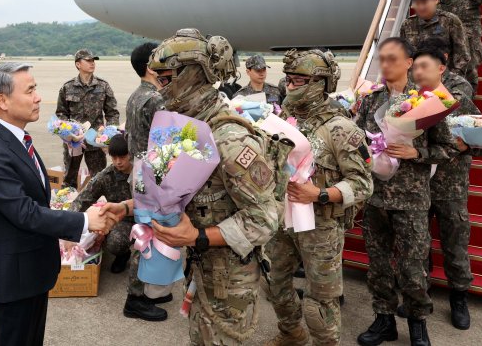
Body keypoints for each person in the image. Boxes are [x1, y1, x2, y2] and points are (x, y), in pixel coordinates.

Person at [143, 28, 285, 345]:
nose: (158, 87)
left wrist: (198, 236)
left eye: (165, 79)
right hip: (200, 268)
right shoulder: (184, 127)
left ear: (192, 75)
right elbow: (167, 191)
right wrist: (129, 208)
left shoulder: (229, 139)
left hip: (229, 280)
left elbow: (265, 218)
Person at [0, 62, 116, 346]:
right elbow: (24, 212)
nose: (38, 97)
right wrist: (84, 221)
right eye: (31, 90)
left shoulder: (17, 138)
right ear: (3, 101)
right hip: (13, 279)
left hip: (32, 271)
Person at [263, 49, 373, 346]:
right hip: (283, 221)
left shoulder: (341, 129)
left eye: (299, 80)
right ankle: (292, 333)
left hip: (322, 228)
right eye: (289, 79)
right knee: (275, 283)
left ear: (320, 83)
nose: (290, 86)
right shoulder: (283, 120)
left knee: (320, 300)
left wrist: (321, 194)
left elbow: (363, 184)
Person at [355, 38, 456, 346]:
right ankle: (384, 319)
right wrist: (367, 150)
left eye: (392, 59)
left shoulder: (427, 99)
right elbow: (356, 137)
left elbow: (448, 148)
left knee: (413, 268)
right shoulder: (371, 100)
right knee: (379, 264)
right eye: (382, 59)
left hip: (411, 199)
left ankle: (417, 322)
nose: (385, 65)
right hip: (377, 196)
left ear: (409, 62)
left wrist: (417, 155)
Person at [410, 42, 482, 331]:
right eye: (414, 67)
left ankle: (459, 297)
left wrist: (469, 146)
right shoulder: (410, 100)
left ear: (441, 68)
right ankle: (420, 292)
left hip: (451, 186)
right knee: (418, 244)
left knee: (455, 243)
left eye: (422, 66)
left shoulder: (458, 99)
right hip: (417, 185)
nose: (417, 71)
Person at [71, 134, 169, 321]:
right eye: (114, 158)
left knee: (155, 247)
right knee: (116, 243)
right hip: (124, 221)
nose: (118, 162)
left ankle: (150, 290)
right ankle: (124, 259)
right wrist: (65, 226)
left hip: (148, 220)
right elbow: (83, 199)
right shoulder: (106, 177)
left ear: (130, 154)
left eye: (122, 157)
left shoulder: (145, 171)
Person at [56, 49, 120, 188]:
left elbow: (112, 113)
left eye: (93, 60)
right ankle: (67, 206)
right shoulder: (68, 87)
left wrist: (108, 133)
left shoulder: (103, 86)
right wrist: (68, 133)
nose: (92, 63)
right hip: (74, 142)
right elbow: (61, 114)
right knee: (69, 178)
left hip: (95, 141)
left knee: (100, 179)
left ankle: (99, 208)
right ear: (78, 64)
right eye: (88, 60)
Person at [400, 0, 470, 79]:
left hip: (443, 78)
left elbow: (462, 55)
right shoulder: (407, 24)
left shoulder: (450, 21)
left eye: (424, 3)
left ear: (436, 0)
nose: (421, 7)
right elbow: (404, 55)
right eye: (417, 3)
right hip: (416, 79)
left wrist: (451, 79)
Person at [126, 41, 164, 159]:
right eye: (161, 60)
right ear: (150, 68)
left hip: (137, 168)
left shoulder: (134, 96)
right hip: (153, 169)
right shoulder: (156, 99)